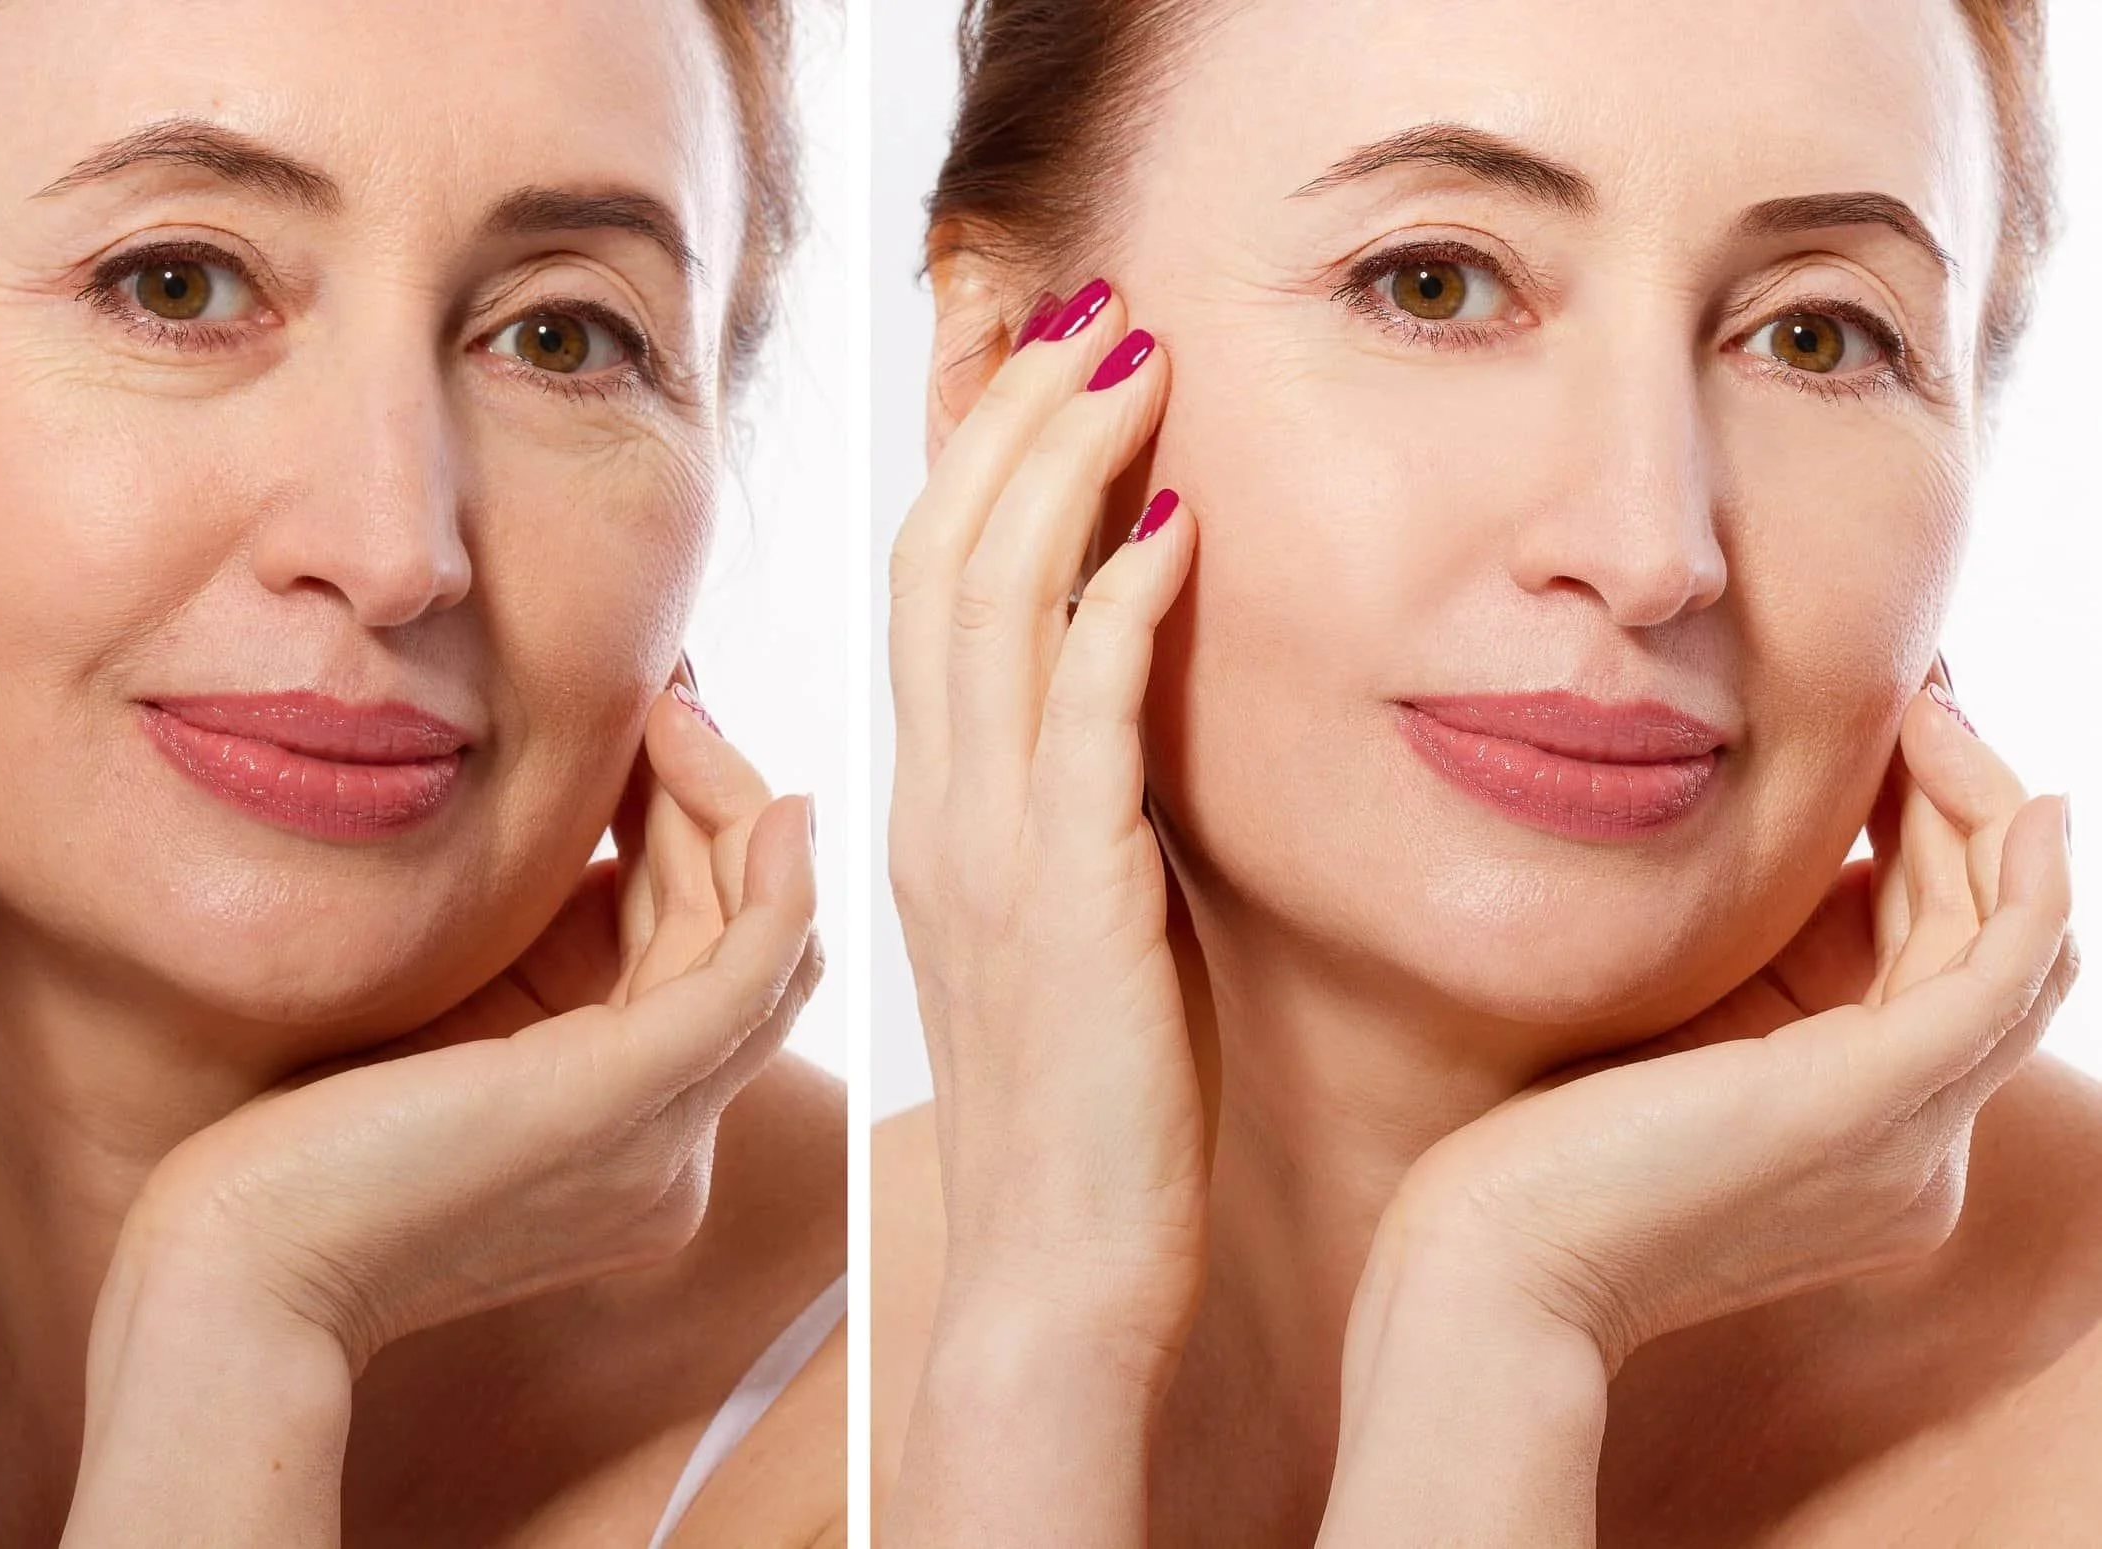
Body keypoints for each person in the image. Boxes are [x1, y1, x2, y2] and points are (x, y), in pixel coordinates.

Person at [0, 0, 844, 1543]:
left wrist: (250, 1305)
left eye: (561, 335)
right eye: (175, 284)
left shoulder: (901, 1414)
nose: (395, 549)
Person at [876, 0, 2094, 1540]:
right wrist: (1037, 1353)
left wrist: (1508, 1295)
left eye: (1817, 334)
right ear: (1005, 374)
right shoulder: (803, 1384)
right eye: (1433, 284)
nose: (1650, 546)